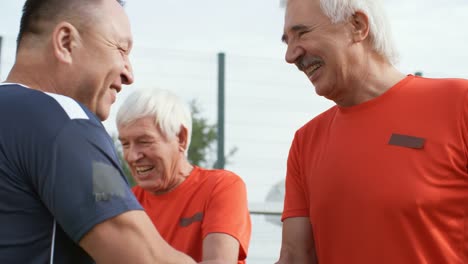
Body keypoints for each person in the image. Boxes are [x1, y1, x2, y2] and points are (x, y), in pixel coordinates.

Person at [0, 0, 199, 263]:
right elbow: (147, 258)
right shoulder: (62, 121)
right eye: (121, 49)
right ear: (66, 42)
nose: (129, 73)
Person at [277, 0, 468, 263]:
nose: (290, 55)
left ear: (357, 26)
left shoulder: (459, 105)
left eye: (302, 33)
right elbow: (295, 257)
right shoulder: (305, 141)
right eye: (286, 40)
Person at [116, 88, 252, 264]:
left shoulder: (221, 186)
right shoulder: (127, 203)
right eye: (125, 144)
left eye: (144, 142)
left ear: (181, 137)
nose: (132, 156)